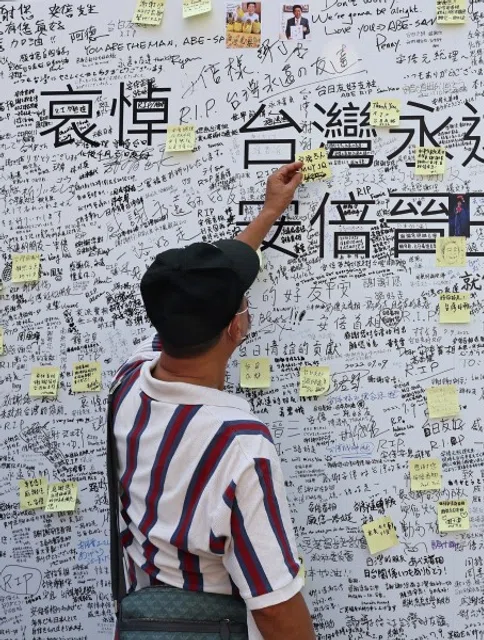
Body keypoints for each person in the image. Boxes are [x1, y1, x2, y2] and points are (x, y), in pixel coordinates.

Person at [109, 162, 315, 640]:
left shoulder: (129, 379)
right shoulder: (240, 446)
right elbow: (275, 605)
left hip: (143, 621)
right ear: (235, 327)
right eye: (242, 301)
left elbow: (192, 297)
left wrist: (268, 213)